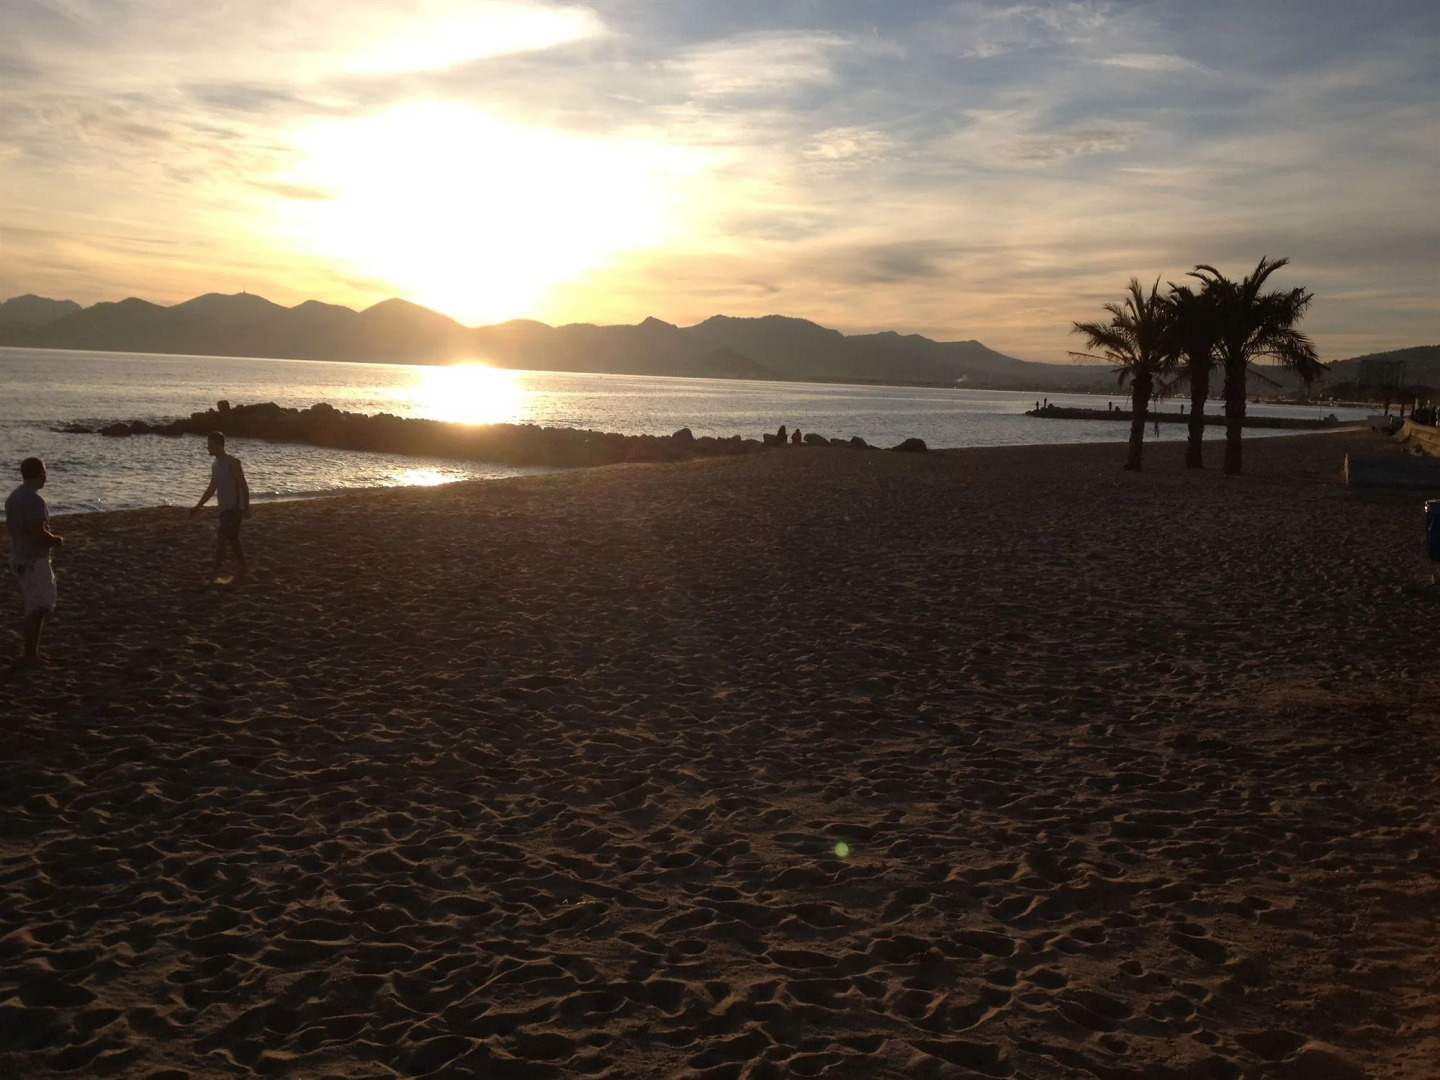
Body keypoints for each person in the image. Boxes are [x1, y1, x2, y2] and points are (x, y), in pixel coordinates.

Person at [5, 457, 64, 665]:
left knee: (34, 605)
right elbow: (37, 533)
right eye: (44, 474)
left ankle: (32, 652)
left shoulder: (13, 497)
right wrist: (56, 540)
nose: (45, 478)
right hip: (32, 559)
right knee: (38, 607)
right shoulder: (34, 500)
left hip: (19, 556)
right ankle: (30, 654)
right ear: (38, 473)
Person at [190, 431, 250, 582]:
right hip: (223, 508)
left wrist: (246, 507)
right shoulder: (215, 466)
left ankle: (216, 572)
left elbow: (243, 485)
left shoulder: (233, 462)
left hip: (234, 508)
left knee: (222, 537)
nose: (208, 448)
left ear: (219, 445)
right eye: (208, 445)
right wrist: (198, 506)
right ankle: (243, 566)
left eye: (210, 445)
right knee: (233, 539)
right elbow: (212, 488)